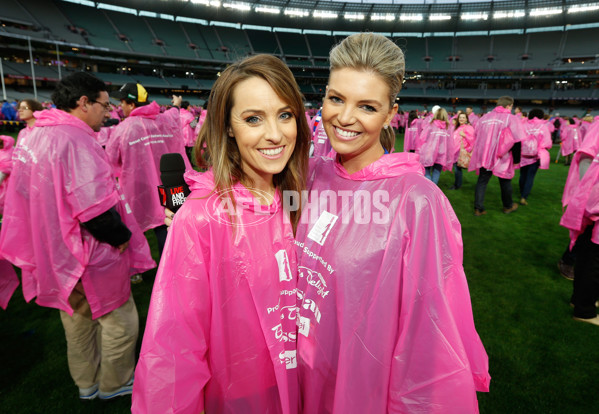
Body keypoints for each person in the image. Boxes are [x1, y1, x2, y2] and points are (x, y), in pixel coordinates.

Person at [296, 33, 490, 413]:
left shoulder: (418, 202)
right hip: (296, 377)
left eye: (367, 106)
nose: (345, 117)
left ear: (390, 113)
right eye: (336, 98)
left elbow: (430, 336)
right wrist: (184, 205)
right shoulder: (307, 174)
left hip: (359, 390)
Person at [132, 54, 310, 414]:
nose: (275, 134)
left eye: (285, 114)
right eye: (253, 119)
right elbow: (175, 347)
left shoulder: (302, 196)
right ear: (228, 127)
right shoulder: (201, 218)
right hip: (242, 394)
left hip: (306, 380)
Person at [0, 72, 155, 400]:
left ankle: (87, 383)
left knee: (77, 319)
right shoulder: (75, 139)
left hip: (53, 249)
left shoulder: (36, 134)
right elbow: (92, 206)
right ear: (83, 103)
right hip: (87, 250)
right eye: (103, 104)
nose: (108, 111)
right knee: (120, 320)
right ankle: (115, 383)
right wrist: (119, 236)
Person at [106, 83, 190, 257]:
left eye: (122, 102)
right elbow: (174, 114)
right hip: (169, 185)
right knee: (169, 226)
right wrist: (176, 104)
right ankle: (173, 267)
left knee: (136, 226)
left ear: (130, 104)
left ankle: (139, 271)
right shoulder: (164, 119)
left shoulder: (123, 129)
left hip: (139, 189)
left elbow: (110, 161)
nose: (120, 107)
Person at [560, 121, 599, 324]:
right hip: (594, 205)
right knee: (593, 258)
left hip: (592, 203)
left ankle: (582, 300)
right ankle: (585, 309)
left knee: (587, 253)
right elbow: (586, 160)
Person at [469, 96, 524, 216]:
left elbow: (477, 136)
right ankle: (508, 206)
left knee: (482, 181)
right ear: (509, 105)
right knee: (505, 181)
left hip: (485, 156)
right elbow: (517, 140)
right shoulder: (511, 118)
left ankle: (478, 208)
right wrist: (517, 159)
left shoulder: (484, 118)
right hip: (502, 156)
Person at [518, 108, 552, 205]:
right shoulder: (543, 127)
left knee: (523, 174)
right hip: (535, 155)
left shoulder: (523, 125)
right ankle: (524, 196)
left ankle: (522, 192)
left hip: (523, 154)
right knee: (530, 176)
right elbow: (547, 142)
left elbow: (519, 138)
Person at [415, 107, 454, 185]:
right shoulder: (448, 127)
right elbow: (451, 142)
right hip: (442, 153)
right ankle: (433, 190)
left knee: (427, 171)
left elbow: (422, 138)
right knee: (437, 171)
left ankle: (429, 188)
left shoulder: (430, 124)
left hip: (429, 151)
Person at [450, 110, 475, 190]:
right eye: (460, 117)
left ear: (466, 119)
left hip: (460, 152)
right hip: (454, 151)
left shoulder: (468, 127)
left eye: (463, 117)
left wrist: (464, 135)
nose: (461, 119)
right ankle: (457, 184)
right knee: (457, 169)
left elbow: (473, 139)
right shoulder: (456, 128)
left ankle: (457, 185)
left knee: (457, 170)